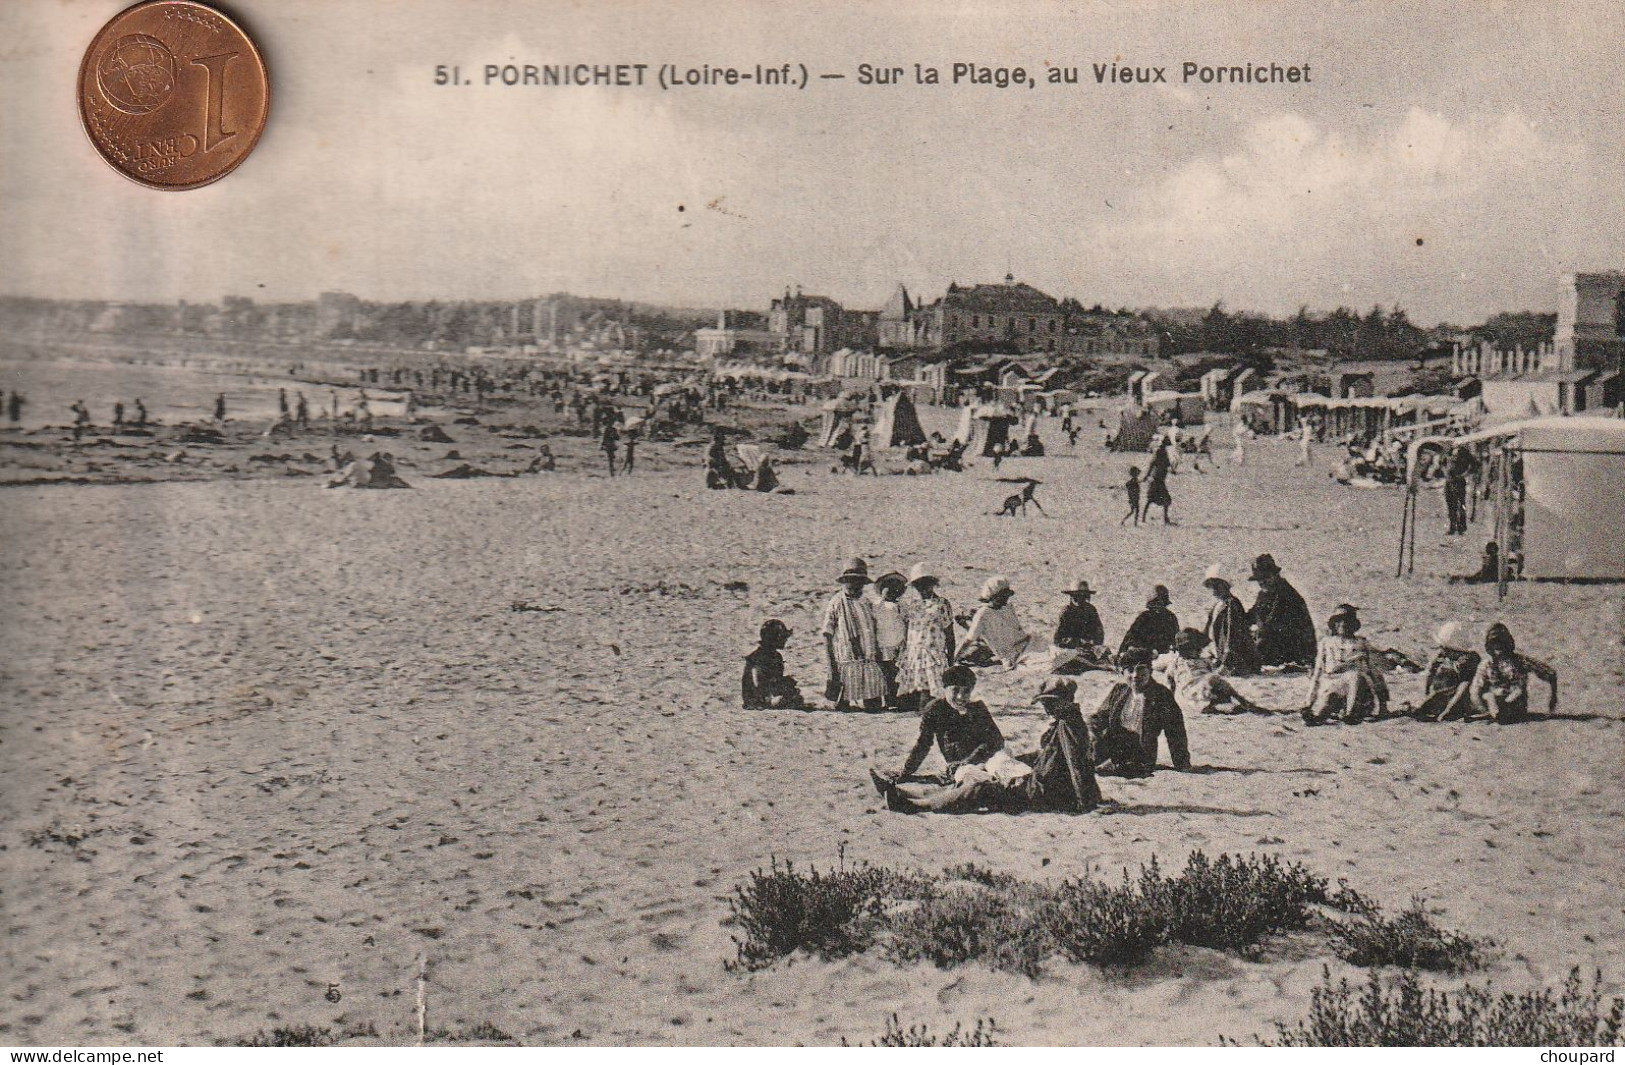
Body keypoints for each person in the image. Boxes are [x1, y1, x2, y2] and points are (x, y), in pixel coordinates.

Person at [873, 678, 1101, 814]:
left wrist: (1084, 803)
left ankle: (917, 806)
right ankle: (914, 796)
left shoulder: (1069, 725)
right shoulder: (1067, 721)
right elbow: (1056, 756)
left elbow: (1077, 763)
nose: (1046, 709)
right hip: (1040, 785)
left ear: (1063, 702)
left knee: (982, 790)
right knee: (981, 780)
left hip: (1042, 792)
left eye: (1049, 703)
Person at [869, 664, 1004, 799]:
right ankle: (895, 786)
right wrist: (906, 772)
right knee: (947, 781)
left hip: (987, 761)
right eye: (955, 690)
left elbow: (997, 742)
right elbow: (923, 744)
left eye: (966, 691)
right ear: (944, 689)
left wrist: (968, 761)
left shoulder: (977, 708)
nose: (960, 696)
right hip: (957, 768)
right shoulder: (935, 709)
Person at [1089, 649, 1190, 775]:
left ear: (1150, 671)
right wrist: (1092, 731)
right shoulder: (1119, 691)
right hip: (1113, 746)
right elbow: (1099, 718)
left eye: (1141, 669)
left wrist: (1182, 763)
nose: (1135, 675)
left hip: (1140, 753)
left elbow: (1175, 731)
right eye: (1130, 670)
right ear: (1122, 672)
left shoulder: (1161, 695)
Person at [1302, 605, 1389, 725]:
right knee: (1328, 700)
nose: (1343, 624)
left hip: (1358, 691)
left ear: (1353, 624)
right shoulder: (1326, 643)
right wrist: (1308, 702)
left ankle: (1351, 713)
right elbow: (1317, 673)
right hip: (1333, 684)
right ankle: (1318, 717)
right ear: (1334, 624)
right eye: (1339, 621)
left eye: (1347, 621)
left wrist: (1383, 705)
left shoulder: (1361, 644)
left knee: (1354, 675)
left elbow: (1376, 673)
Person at [821, 558, 887, 711]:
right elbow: (827, 635)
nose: (856, 585)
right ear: (845, 581)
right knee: (842, 705)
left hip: (868, 661)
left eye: (860, 581)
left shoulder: (867, 603)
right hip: (846, 662)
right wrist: (831, 665)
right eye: (852, 580)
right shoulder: (836, 603)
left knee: (874, 705)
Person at [1155, 628, 1267, 715]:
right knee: (1213, 680)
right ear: (1182, 650)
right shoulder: (1176, 663)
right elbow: (1169, 684)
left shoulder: (1204, 661)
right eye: (1192, 649)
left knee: (1217, 684)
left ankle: (1240, 702)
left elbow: (1211, 673)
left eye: (1197, 649)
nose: (1196, 652)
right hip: (1192, 691)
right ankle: (1232, 704)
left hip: (1208, 688)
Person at [896, 562, 955, 713]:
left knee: (931, 698)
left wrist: (951, 658)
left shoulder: (941, 604)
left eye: (926, 583)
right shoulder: (911, 605)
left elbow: (949, 633)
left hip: (933, 655)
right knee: (908, 700)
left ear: (933, 583)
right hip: (914, 655)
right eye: (918, 585)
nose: (922, 588)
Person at [1468, 622, 1557, 724]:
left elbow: (1550, 673)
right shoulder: (1486, 664)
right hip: (1493, 701)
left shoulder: (1520, 661)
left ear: (1508, 644)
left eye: (1502, 644)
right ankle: (1494, 713)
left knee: (1516, 692)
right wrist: (1483, 708)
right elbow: (1475, 690)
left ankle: (1500, 714)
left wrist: (1553, 698)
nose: (1499, 648)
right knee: (1488, 695)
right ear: (1490, 647)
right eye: (1495, 644)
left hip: (1515, 703)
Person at [1246, 554, 1318, 669]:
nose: (1262, 582)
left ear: (1275, 575)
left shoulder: (1287, 595)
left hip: (1291, 652)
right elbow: (1254, 614)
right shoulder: (1264, 594)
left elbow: (1272, 627)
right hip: (1272, 646)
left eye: (1265, 577)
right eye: (1259, 579)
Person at [1408, 620, 1481, 721]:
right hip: (1445, 693)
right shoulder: (1443, 656)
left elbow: (1463, 688)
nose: (1442, 650)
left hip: (1461, 698)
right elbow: (1430, 674)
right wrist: (1426, 694)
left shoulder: (1468, 661)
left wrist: (1448, 710)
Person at [960, 576, 1035, 670]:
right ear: (993, 596)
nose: (1005, 599)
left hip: (1026, 646)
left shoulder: (1007, 608)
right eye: (1002, 596)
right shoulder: (984, 614)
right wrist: (953, 660)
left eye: (1006, 596)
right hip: (1017, 655)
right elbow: (969, 640)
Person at [1203, 569, 1260, 676]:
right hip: (1219, 654)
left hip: (1234, 656)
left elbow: (1233, 633)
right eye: (1212, 587)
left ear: (1226, 586)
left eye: (1217, 586)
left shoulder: (1232, 604)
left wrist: (1227, 659)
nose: (1214, 590)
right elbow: (1208, 628)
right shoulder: (1217, 605)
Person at [742, 619, 805, 710]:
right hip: (757, 700)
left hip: (766, 696)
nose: (785, 640)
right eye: (782, 637)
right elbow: (757, 684)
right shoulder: (758, 657)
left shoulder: (775, 656)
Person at [870, 572, 910, 709]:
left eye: (896, 587)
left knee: (896, 673)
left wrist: (905, 642)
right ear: (881, 589)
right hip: (882, 645)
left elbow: (906, 624)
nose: (892, 590)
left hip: (898, 644)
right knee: (884, 674)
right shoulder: (876, 606)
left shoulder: (902, 606)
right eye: (888, 586)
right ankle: (885, 700)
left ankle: (893, 699)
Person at [1119, 585, 1179, 659]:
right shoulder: (1144, 617)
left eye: (1161, 602)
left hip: (1163, 657)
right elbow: (1130, 638)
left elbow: (1176, 640)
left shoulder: (1171, 617)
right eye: (1156, 603)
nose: (1158, 606)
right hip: (1144, 655)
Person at [1443, 445, 1478, 535]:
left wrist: (1464, 474)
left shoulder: (1464, 452)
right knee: (1450, 504)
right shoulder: (1448, 449)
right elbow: (1443, 463)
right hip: (1449, 481)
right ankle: (1452, 527)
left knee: (1461, 505)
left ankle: (1461, 527)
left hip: (1459, 481)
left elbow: (1474, 465)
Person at [1141, 440, 1173, 524]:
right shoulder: (1162, 455)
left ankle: (1144, 517)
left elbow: (1153, 466)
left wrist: (1146, 476)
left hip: (1158, 480)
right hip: (1157, 481)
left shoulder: (1161, 455)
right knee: (1163, 500)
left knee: (1151, 500)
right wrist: (1146, 476)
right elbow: (1153, 466)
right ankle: (1165, 518)